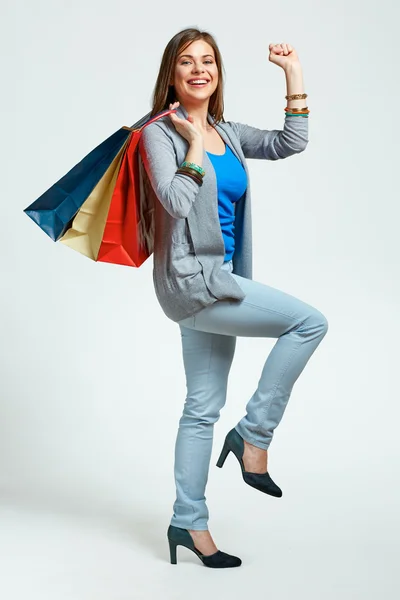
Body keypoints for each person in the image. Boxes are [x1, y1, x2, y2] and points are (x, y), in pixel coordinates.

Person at [138, 27, 328, 568]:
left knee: (201, 408)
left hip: (215, 277)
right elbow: (175, 201)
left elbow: (290, 143)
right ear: (171, 74)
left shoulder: (226, 129)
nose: (199, 70)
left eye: (208, 62)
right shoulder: (158, 133)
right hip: (194, 282)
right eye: (186, 62)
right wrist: (192, 142)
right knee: (309, 323)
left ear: (217, 74)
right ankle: (253, 434)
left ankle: (187, 522)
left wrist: (292, 72)